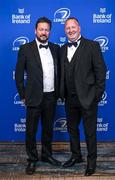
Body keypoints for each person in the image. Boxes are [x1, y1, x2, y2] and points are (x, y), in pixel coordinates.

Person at [60, 17, 107, 176]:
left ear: (79, 28)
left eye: (73, 27)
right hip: (69, 98)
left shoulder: (92, 46)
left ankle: (91, 162)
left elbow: (101, 72)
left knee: (90, 132)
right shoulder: (62, 49)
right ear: (65, 30)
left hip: (88, 98)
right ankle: (76, 155)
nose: (70, 30)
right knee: (72, 129)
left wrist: (97, 95)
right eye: (67, 28)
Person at [15, 17, 61, 175]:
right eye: (41, 29)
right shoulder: (25, 49)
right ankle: (32, 159)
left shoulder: (55, 48)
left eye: (46, 29)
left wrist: (59, 93)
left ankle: (47, 155)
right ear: (35, 31)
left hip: (51, 96)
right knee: (31, 130)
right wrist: (22, 95)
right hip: (33, 97)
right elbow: (19, 74)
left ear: (50, 32)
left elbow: (60, 73)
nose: (44, 32)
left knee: (48, 129)